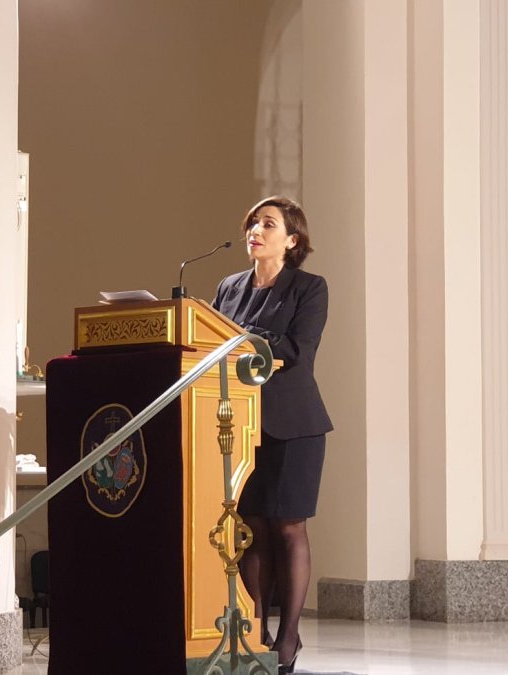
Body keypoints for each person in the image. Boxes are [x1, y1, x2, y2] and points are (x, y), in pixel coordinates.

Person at [212, 196, 332, 674]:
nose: (255, 232)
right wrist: (250, 336)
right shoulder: (229, 286)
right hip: (239, 421)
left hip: (295, 423)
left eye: (267, 224)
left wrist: (244, 335)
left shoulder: (309, 288)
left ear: (292, 240)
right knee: (253, 529)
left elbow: (296, 348)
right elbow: (214, 339)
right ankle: (255, 629)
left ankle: (288, 636)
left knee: (288, 527)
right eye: (252, 225)